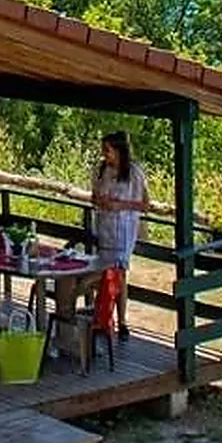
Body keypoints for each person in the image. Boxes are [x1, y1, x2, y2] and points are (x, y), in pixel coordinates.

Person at [90, 130, 148, 338]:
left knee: (119, 273)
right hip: (105, 228)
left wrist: (120, 205)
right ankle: (104, 317)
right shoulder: (101, 170)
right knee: (104, 272)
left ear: (119, 151)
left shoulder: (134, 173)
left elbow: (144, 204)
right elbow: (93, 196)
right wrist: (101, 201)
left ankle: (120, 320)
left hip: (124, 230)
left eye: (108, 150)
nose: (104, 154)